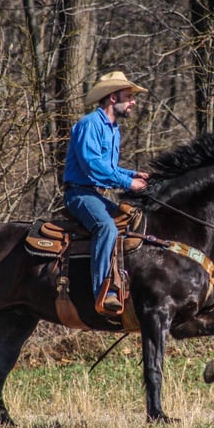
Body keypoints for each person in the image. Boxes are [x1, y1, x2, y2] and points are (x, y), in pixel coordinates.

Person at [62, 71, 149, 313]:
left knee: (132, 218)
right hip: (79, 194)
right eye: (129, 96)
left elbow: (108, 168)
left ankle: (127, 281)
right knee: (106, 226)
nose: (133, 101)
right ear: (112, 97)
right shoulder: (90, 124)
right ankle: (102, 289)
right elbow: (92, 166)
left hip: (96, 195)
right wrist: (127, 183)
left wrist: (131, 174)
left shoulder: (113, 129)